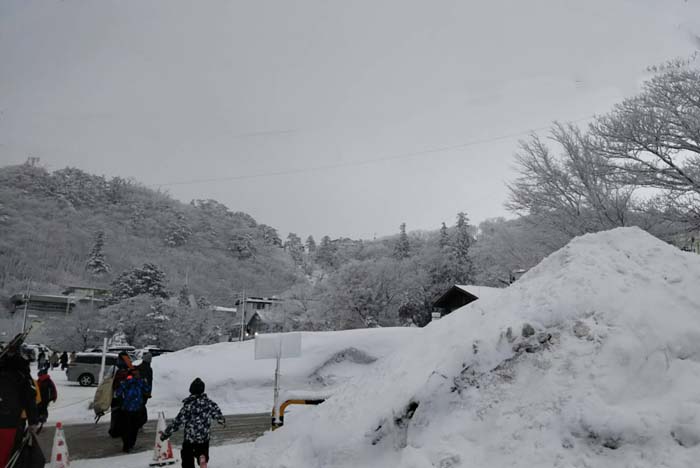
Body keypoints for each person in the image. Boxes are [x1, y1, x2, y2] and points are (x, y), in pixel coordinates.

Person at [161, 378, 225, 468]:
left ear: (191, 390)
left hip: (190, 439)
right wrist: (220, 419)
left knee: (187, 457)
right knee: (202, 451)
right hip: (204, 438)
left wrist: (167, 433)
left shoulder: (189, 405)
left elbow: (178, 421)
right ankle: (202, 457)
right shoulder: (209, 403)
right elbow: (217, 413)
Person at [0, 338, 40, 467]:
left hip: (10, 418)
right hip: (11, 420)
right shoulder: (21, 374)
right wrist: (33, 421)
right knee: (8, 455)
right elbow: (30, 397)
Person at [114, 369, 150, 453]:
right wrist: (145, 382)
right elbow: (147, 389)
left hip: (128, 409)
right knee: (133, 428)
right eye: (137, 374)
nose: (139, 375)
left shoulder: (126, 382)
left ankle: (127, 446)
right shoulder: (138, 382)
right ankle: (129, 446)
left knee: (128, 428)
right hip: (134, 409)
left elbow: (118, 393)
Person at [109, 352, 134, 438]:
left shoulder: (114, 368)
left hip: (115, 394)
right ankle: (120, 430)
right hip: (124, 395)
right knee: (123, 414)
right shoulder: (129, 369)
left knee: (115, 413)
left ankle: (114, 430)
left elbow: (108, 379)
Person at [136, 353, 153, 429]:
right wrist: (149, 392)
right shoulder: (148, 369)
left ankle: (139, 422)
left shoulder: (139, 367)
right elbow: (150, 382)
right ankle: (140, 422)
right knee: (141, 406)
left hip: (139, 391)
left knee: (140, 406)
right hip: (144, 391)